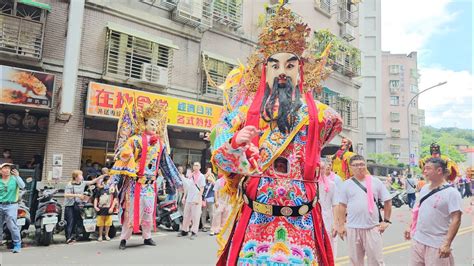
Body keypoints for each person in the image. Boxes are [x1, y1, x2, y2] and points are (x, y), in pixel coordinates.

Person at [210, 5, 342, 265]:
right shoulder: (241, 113)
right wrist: (236, 143)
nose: (282, 71)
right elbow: (220, 162)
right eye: (275, 65)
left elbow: (333, 127)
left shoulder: (322, 116)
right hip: (257, 221)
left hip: (301, 221)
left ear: (300, 71)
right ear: (265, 70)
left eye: (290, 65)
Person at [110, 100, 182, 250]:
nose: (154, 127)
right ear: (144, 124)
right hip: (134, 184)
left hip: (150, 185)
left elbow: (166, 164)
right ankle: (124, 238)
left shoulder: (160, 144)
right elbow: (121, 162)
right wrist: (113, 182)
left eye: (156, 125)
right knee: (131, 212)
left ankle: (147, 236)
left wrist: (176, 181)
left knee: (149, 212)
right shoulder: (134, 141)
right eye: (151, 124)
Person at [405, 157, 462, 266]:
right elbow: (419, 211)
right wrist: (410, 226)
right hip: (418, 241)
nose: (424, 171)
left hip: (437, 245)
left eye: (428, 168)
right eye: (424, 168)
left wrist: (447, 243)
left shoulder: (452, 193)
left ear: (439, 170)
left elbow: (456, 219)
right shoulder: (424, 189)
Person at [336, 155, 392, 266]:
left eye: (362, 164)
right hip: (353, 228)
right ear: (351, 167)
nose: (359, 167)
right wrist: (341, 225)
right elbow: (341, 206)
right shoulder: (346, 184)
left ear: (365, 166)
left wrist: (386, 221)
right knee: (355, 262)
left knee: (376, 261)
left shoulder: (375, 182)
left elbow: (388, 201)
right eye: (356, 165)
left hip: (372, 228)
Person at [63, 170, 100, 243]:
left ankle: (75, 236)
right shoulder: (70, 184)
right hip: (69, 205)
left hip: (78, 205)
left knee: (78, 220)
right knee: (70, 221)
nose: (82, 176)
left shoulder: (83, 183)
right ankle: (68, 238)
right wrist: (78, 195)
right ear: (76, 177)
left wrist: (101, 177)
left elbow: (92, 182)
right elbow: (66, 195)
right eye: (80, 175)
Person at [0, 163, 25, 253]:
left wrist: (18, 176)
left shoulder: (14, 179)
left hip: (11, 205)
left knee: (12, 225)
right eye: (4, 168)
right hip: (0, 204)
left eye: (8, 168)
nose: (7, 170)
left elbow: (22, 186)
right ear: (0, 171)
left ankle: (17, 244)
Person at [178, 162, 205, 240]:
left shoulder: (201, 176)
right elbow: (187, 187)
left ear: (199, 167)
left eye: (197, 165)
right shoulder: (190, 176)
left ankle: (194, 232)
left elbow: (202, 189)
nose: (195, 167)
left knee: (195, 216)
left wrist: (198, 198)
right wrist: (184, 197)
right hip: (189, 198)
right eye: (194, 165)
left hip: (196, 198)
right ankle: (184, 230)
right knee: (186, 215)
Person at [318, 160, 339, 258]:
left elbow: (335, 204)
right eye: (318, 167)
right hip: (314, 219)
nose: (320, 170)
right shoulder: (310, 184)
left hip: (327, 218)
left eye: (322, 168)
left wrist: (335, 223)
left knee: (328, 245)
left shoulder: (332, 184)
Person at [93, 175, 118, 242]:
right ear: (104, 182)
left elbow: (115, 199)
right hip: (100, 208)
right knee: (100, 224)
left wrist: (112, 208)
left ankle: (107, 235)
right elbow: (96, 198)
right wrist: (95, 206)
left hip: (108, 208)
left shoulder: (112, 190)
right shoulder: (99, 189)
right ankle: (100, 236)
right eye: (109, 180)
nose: (110, 182)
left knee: (108, 223)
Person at [201, 167, 216, 232]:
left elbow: (216, 185)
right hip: (204, 199)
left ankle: (212, 226)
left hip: (210, 199)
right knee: (203, 213)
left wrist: (212, 179)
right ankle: (203, 226)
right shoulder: (204, 183)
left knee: (211, 214)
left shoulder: (213, 184)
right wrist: (207, 175)